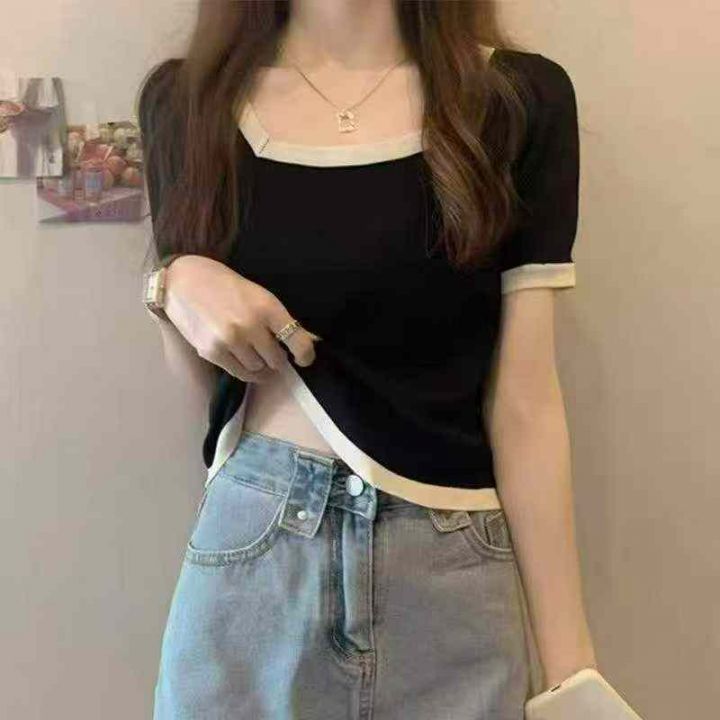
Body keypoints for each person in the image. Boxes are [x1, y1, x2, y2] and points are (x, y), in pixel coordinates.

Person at [137, 1, 598, 717]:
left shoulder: (517, 100)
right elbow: (209, 387)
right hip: (258, 557)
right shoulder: (187, 102)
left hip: (451, 568)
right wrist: (172, 283)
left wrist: (574, 677)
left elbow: (526, 404)